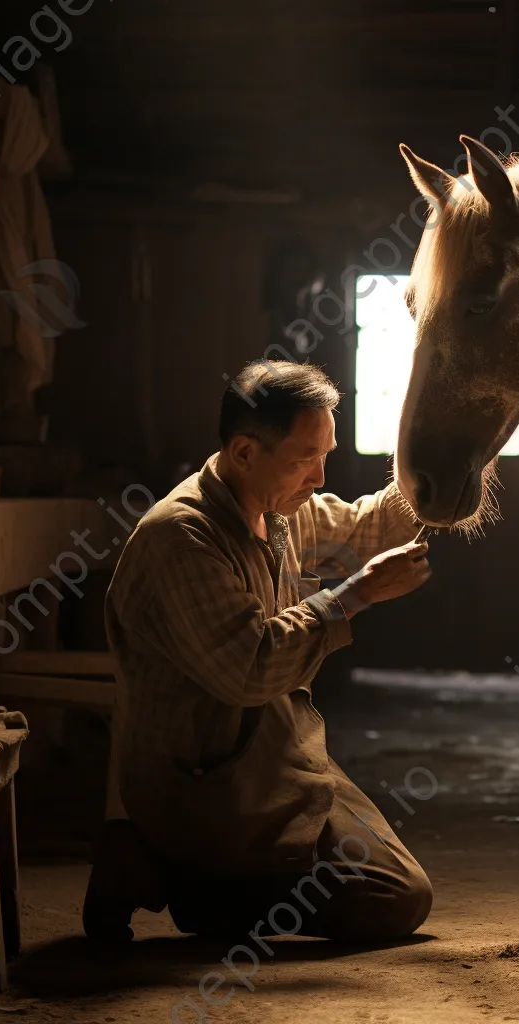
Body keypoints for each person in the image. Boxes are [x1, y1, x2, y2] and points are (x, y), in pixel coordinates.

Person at [83, 360, 433, 943]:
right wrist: (356, 595)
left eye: (327, 454)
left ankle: (207, 876)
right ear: (244, 453)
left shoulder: (276, 507)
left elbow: (366, 525)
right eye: (306, 458)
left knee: (401, 884)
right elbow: (250, 669)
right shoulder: (183, 537)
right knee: (392, 900)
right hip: (207, 782)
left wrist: (454, 461)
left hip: (278, 759)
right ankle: (174, 873)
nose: (320, 477)